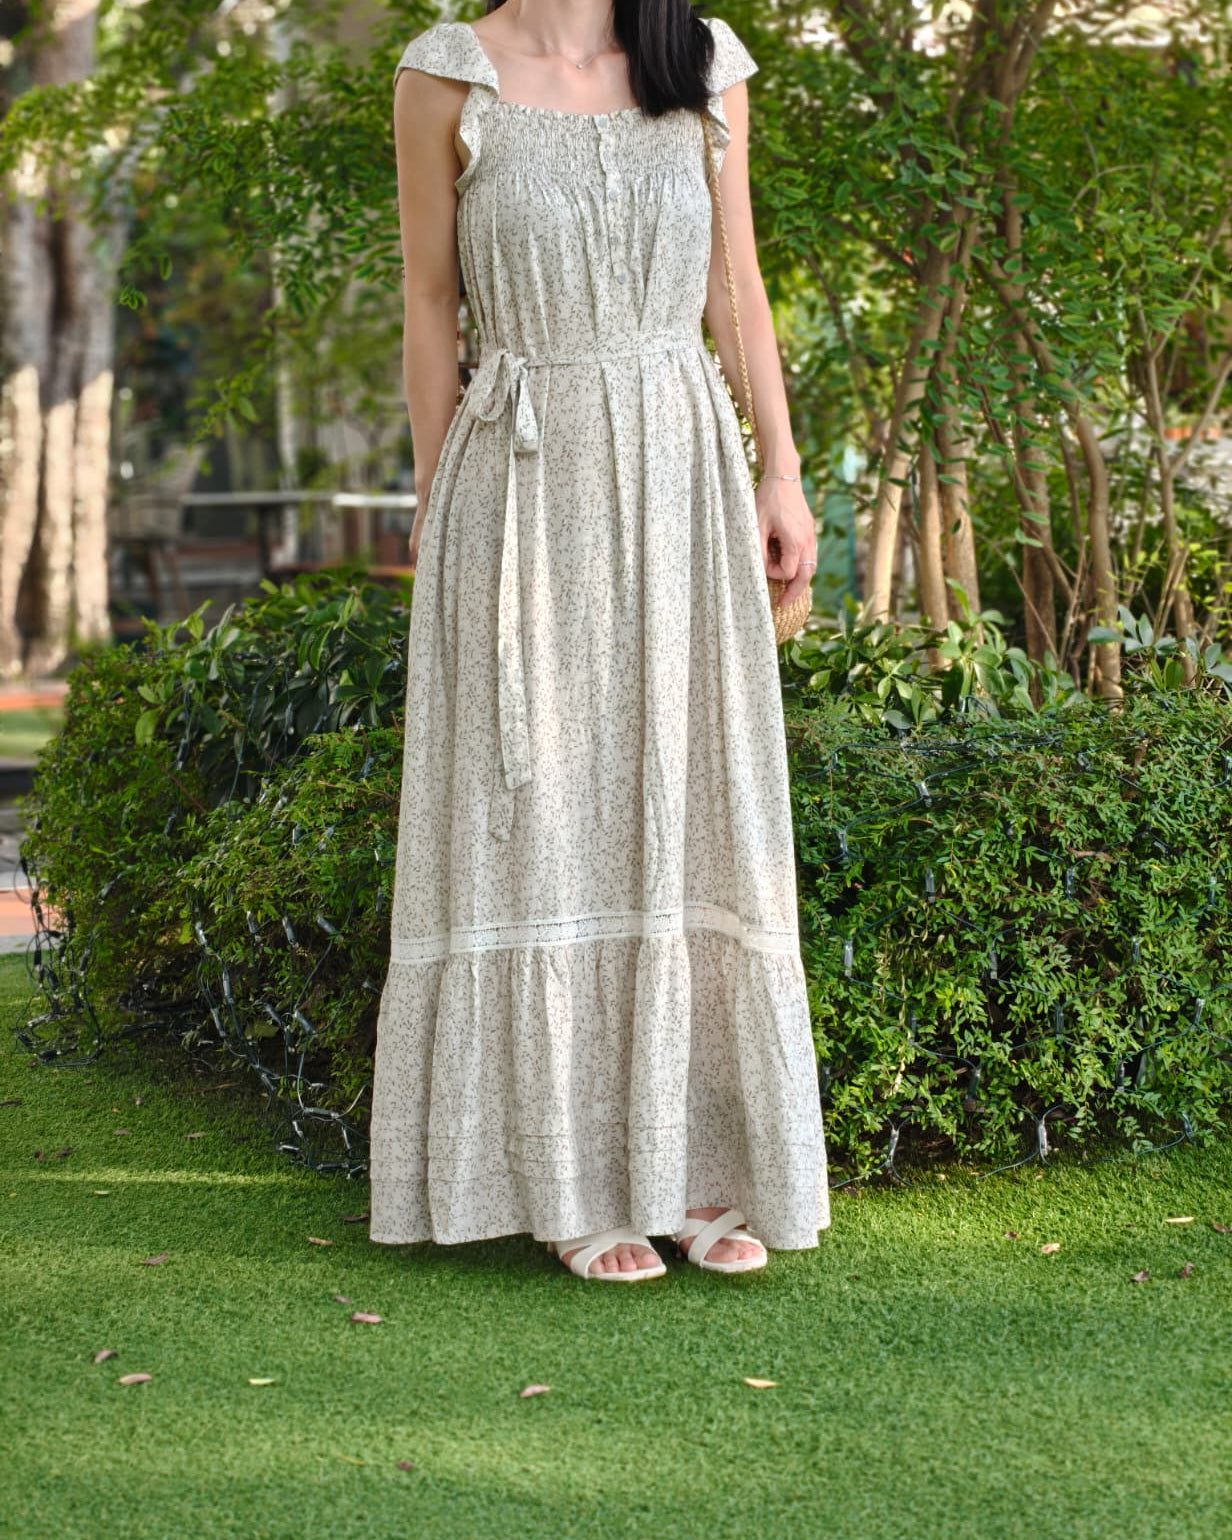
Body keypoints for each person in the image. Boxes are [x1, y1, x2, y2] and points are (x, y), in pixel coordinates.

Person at [368, 0, 830, 1281]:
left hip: (679, 470)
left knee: (687, 803)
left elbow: (735, 289)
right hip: (520, 479)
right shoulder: (447, 74)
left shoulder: (702, 64)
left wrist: (780, 473)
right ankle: (569, 1184)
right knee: (541, 816)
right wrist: (437, 503)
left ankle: (697, 1172)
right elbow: (428, 303)